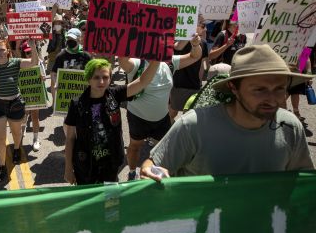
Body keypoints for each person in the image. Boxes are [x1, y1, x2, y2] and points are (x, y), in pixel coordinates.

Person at [141, 45, 315, 181]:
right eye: (259, 90)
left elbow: (303, 181)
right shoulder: (194, 126)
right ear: (233, 88)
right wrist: (149, 171)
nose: (272, 99)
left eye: (279, 89)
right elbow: (154, 164)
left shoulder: (291, 127)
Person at [63, 59, 160, 185]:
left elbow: (142, 81)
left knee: (110, 201)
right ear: (88, 79)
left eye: (105, 77)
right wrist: (68, 168)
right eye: (96, 77)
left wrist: (157, 60)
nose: (101, 81)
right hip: (86, 165)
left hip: (111, 163)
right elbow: (70, 138)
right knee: (89, 200)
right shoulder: (76, 104)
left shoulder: (115, 94)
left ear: (110, 78)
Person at [120, 34, 203, 180]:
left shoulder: (170, 63)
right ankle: (132, 172)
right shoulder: (137, 63)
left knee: (164, 151)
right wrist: (125, 39)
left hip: (162, 118)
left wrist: (195, 44)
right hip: (138, 117)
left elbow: (194, 57)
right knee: (134, 147)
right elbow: (123, 62)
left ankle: (158, 177)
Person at [0, 39, 39, 182]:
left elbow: (34, 63)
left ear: (8, 50)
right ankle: (2, 166)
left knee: (16, 132)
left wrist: (32, 46)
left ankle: (17, 148)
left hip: (15, 104)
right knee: (0, 138)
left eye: (2, 50)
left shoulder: (15, 62)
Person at [168, 23, 209, 120]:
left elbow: (203, 66)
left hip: (193, 85)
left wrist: (199, 83)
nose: (205, 29)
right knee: (172, 111)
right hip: (178, 84)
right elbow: (177, 47)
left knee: (188, 115)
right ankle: (166, 131)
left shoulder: (203, 43)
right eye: (202, 26)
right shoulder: (178, 41)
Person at [50, 28, 92, 100]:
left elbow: (92, 72)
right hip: (65, 93)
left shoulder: (86, 56)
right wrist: (56, 82)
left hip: (81, 92)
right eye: (68, 38)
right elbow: (53, 72)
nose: (70, 40)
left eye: (72, 39)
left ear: (79, 39)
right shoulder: (61, 55)